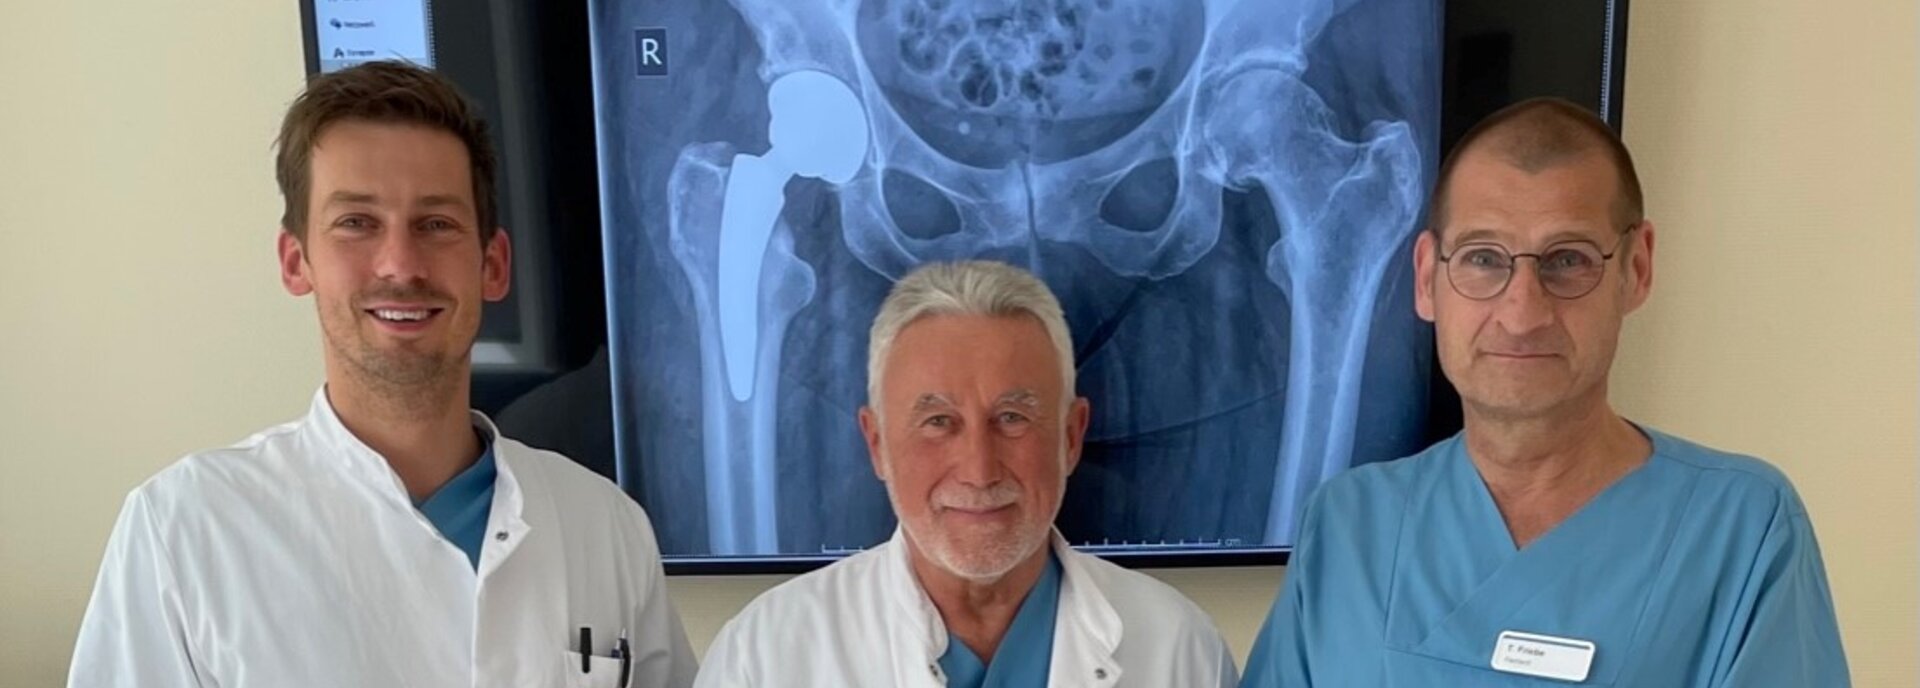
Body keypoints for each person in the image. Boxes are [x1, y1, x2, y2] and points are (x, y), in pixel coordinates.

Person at [68, 61, 697, 688]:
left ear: (493, 265)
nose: (401, 264)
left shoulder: (604, 526)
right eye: (356, 224)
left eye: (436, 224)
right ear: (295, 261)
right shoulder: (183, 530)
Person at [1241, 97, 1850, 686]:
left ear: (1636, 270)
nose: (1522, 314)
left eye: (1567, 261)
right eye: (1483, 258)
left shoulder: (1741, 530)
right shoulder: (1347, 526)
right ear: (1427, 279)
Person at [694, 260, 1236, 687]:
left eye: (1012, 418)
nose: (979, 470)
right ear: (877, 444)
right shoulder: (765, 656)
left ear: (1071, 437)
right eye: (938, 422)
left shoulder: (1178, 648)